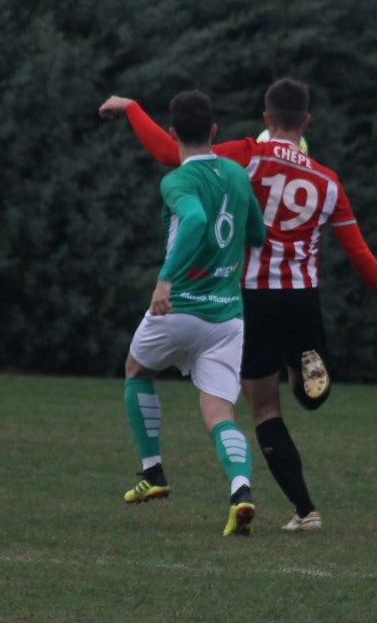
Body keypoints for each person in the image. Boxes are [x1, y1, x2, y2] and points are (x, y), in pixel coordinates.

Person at [100, 77, 377, 533]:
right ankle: (305, 372)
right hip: (303, 296)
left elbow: (175, 155)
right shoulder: (327, 179)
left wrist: (131, 108)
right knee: (305, 382)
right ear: (306, 122)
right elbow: (359, 250)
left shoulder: (247, 155)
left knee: (264, 412)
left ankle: (306, 511)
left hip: (251, 297)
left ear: (266, 119)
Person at [112, 89, 267, 537]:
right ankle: (241, 491)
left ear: (174, 133)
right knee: (219, 413)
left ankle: (153, 473)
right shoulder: (238, 175)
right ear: (215, 131)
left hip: (180, 306)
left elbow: (196, 220)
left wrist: (165, 279)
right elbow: (256, 233)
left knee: (136, 369)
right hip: (228, 317)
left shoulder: (177, 180)